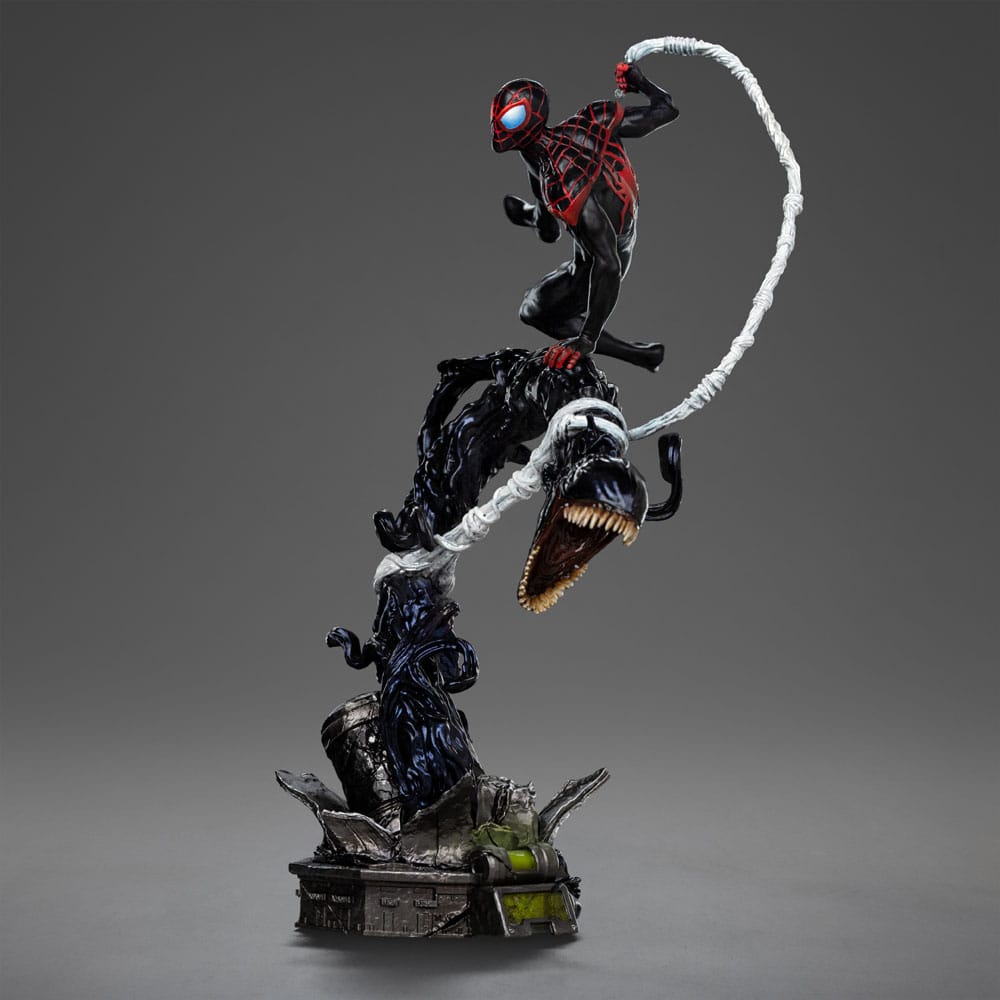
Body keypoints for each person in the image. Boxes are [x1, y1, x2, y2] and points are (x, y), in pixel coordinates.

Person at [491, 62, 679, 372]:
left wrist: (587, 339)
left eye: (512, 118)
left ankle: (642, 355)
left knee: (533, 309)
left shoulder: (566, 183)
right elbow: (665, 110)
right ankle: (533, 215)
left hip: (602, 254)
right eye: (500, 118)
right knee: (547, 225)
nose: (501, 128)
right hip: (607, 230)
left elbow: (608, 264)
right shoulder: (591, 122)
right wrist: (640, 81)